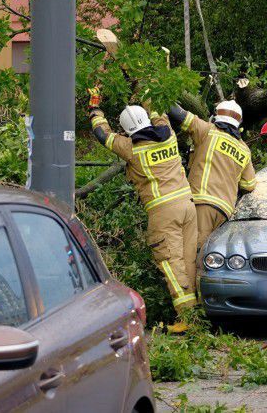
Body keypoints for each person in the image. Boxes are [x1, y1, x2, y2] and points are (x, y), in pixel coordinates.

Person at [88, 89, 197, 331]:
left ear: (127, 129)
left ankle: (189, 319)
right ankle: (200, 312)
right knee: (189, 259)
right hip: (188, 205)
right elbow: (158, 109)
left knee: (170, 262)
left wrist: (95, 106)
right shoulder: (167, 133)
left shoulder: (131, 148)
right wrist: (146, 89)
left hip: (163, 211)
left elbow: (103, 134)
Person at [168, 100, 256, 250]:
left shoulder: (208, 131)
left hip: (203, 203)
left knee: (193, 251)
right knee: (212, 253)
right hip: (225, 212)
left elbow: (180, 115)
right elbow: (249, 184)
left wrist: (157, 95)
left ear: (216, 116)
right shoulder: (244, 149)